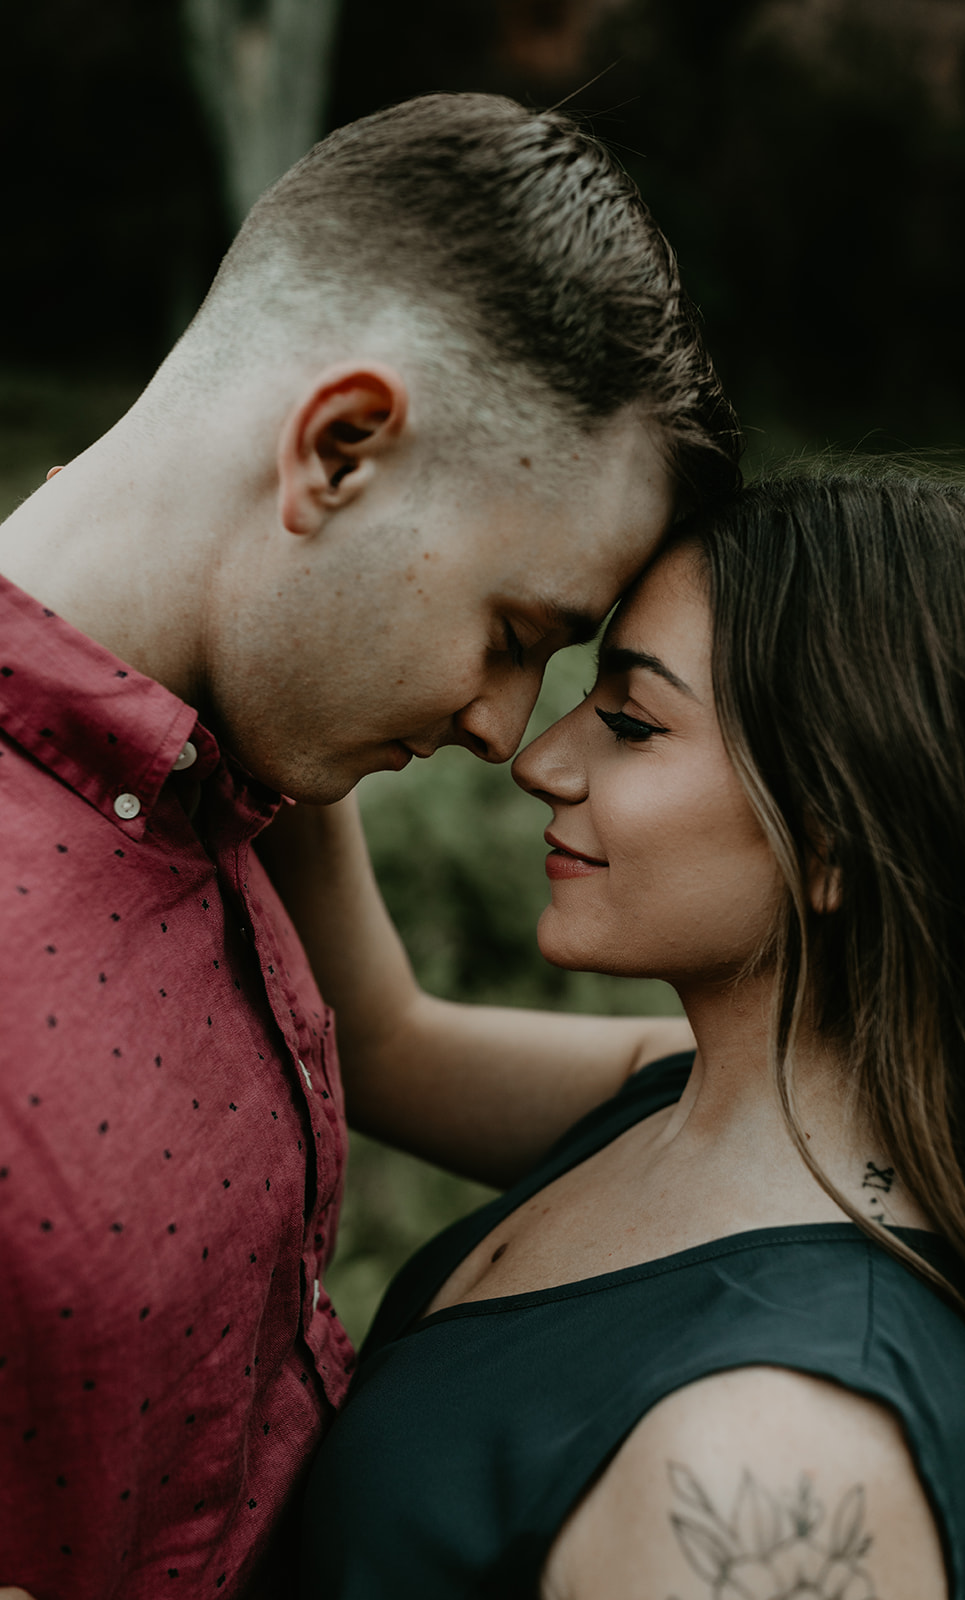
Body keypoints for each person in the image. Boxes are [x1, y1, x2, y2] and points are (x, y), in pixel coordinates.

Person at [0, 91, 740, 1598]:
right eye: (513, 632)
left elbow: (389, 1042)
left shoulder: (240, 764)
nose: (501, 729)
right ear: (339, 449)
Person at [276, 464, 965, 1600]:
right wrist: (281, 694)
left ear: (836, 841)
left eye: (631, 723)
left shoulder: (771, 1453)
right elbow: (382, 1042)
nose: (541, 762)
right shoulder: (679, 1094)